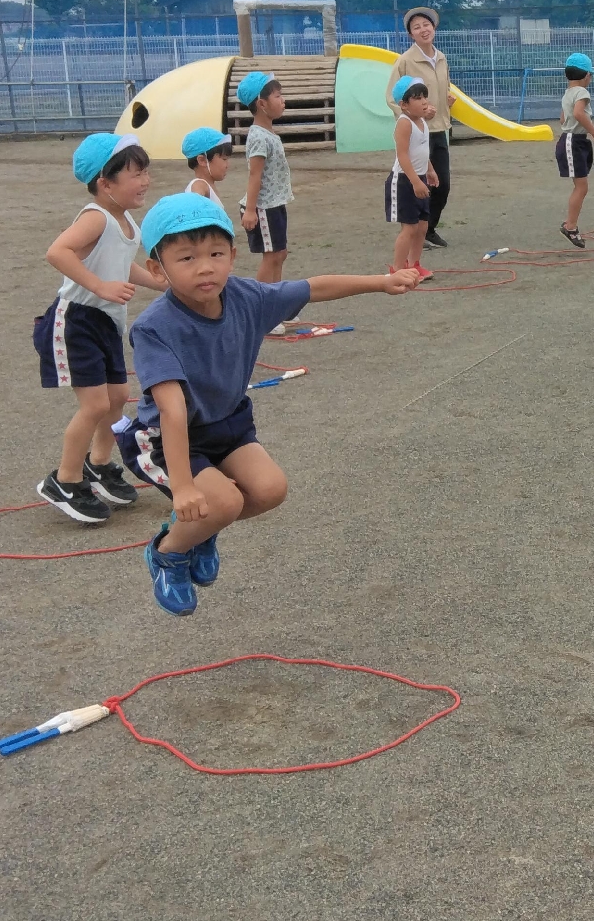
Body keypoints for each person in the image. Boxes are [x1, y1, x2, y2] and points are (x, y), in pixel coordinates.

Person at [115, 194, 418, 614]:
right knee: (223, 502)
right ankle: (168, 551)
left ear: (233, 255)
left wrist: (380, 282)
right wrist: (182, 488)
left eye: (216, 253)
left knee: (270, 490)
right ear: (157, 269)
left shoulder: (247, 297)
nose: (205, 267)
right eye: (186, 258)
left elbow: (313, 287)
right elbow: (172, 411)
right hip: (166, 439)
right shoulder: (155, 327)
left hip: (228, 425)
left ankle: (200, 529)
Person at [33, 132, 163, 524]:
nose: (145, 181)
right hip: (76, 320)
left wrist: (161, 283)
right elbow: (57, 251)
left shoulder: (125, 220)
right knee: (94, 406)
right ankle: (65, 480)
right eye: (135, 174)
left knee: (117, 397)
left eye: (145, 172)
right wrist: (100, 286)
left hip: (105, 322)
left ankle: (99, 463)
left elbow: (122, 264)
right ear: (106, 184)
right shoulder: (96, 217)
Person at [386, 6, 455, 250]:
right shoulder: (405, 61)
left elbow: (444, 87)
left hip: (440, 128)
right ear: (411, 34)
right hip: (417, 132)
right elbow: (392, 98)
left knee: (442, 184)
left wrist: (447, 100)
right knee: (417, 182)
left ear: (434, 27)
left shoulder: (441, 58)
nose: (423, 29)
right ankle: (414, 230)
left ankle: (428, 229)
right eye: (416, 27)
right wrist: (414, 117)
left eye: (426, 25)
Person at [239, 71, 293, 282]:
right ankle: (260, 298)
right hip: (263, 207)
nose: (283, 100)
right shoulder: (259, 137)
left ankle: (275, 297)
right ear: (262, 104)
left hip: (274, 203)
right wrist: (250, 210)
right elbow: (255, 174)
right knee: (271, 257)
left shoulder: (268, 133)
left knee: (280, 254)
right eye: (278, 96)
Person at [386, 76, 437, 279]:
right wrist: (415, 181)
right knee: (409, 227)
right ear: (404, 105)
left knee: (422, 226)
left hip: (420, 178)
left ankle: (414, 264)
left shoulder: (422, 122)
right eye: (417, 98)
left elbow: (421, 150)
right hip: (404, 181)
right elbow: (403, 155)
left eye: (424, 96)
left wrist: (430, 170)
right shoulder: (404, 123)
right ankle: (397, 270)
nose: (424, 101)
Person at [554, 52, 594, 248]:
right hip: (573, 141)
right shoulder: (582, 93)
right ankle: (570, 226)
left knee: (581, 186)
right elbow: (577, 114)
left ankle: (570, 224)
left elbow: (562, 118)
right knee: (581, 187)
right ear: (587, 75)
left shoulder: (568, 93)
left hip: (574, 140)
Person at [182, 127, 232, 207]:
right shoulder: (200, 185)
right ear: (202, 160)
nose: (227, 165)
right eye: (224, 159)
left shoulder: (209, 186)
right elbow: (194, 205)